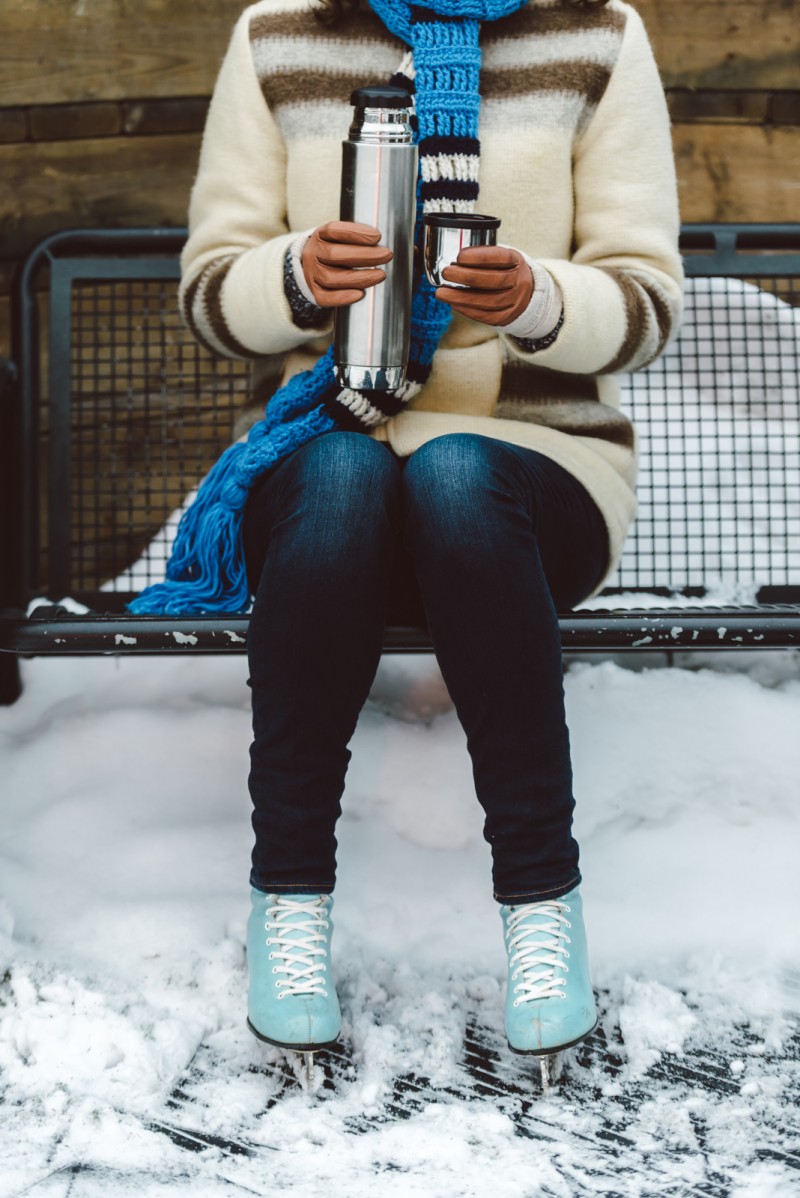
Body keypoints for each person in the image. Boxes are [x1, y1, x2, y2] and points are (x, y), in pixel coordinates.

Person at [163, 0, 683, 1060]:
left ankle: (541, 905)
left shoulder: (594, 37)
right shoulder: (281, 34)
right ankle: (290, 902)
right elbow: (213, 292)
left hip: (538, 470)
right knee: (349, 474)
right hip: (325, 458)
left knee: (451, 470)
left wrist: (537, 298)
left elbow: (646, 301)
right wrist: (295, 277)